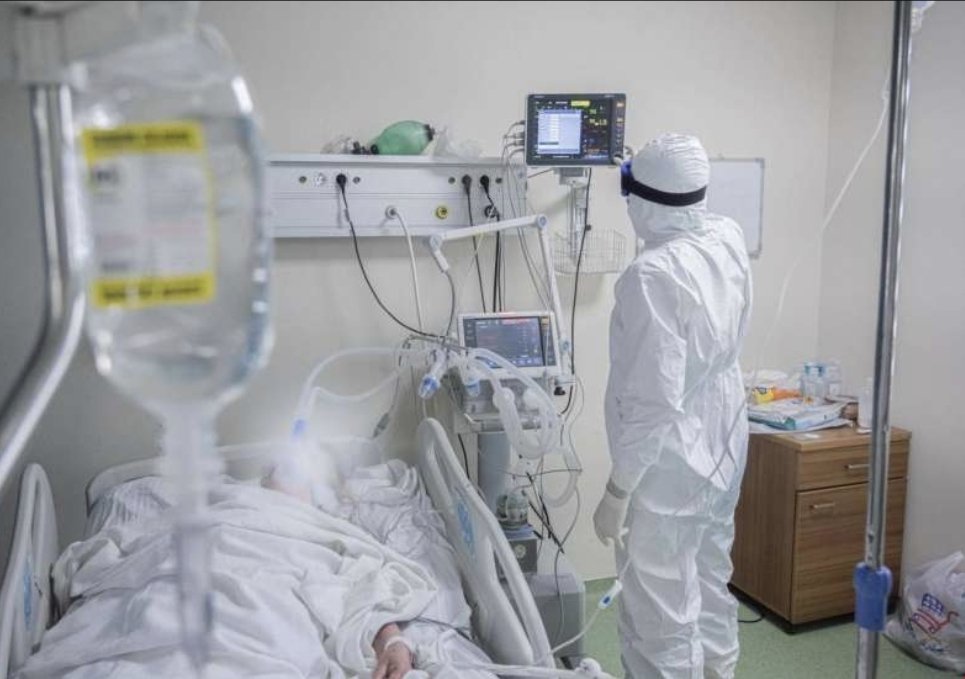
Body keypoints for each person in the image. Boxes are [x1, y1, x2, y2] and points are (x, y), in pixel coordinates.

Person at [592, 133, 752, 679]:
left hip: (670, 459)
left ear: (643, 199)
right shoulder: (726, 235)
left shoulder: (652, 275)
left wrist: (618, 491)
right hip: (725, 437)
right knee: (709, 578)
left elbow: (652, 403)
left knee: (660, 608)